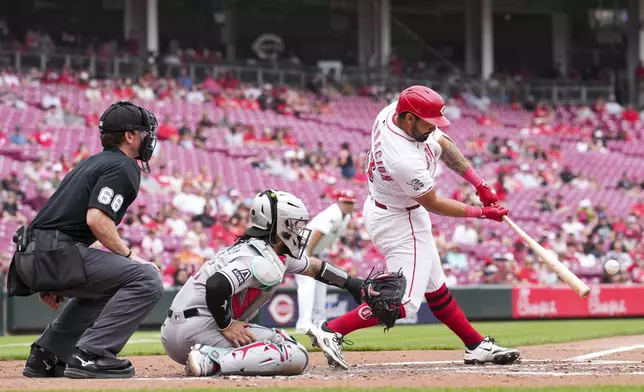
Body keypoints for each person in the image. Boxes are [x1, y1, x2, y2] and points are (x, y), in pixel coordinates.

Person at [306, 85, 520, 369]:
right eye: (428, 123)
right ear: (409, 118)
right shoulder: (403, 158)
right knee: (403, 303)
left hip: (395, 209)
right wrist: (482, 213)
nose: (433, 129)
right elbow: (432, 202)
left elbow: (444, 145)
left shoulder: (395, 113)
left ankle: (475, 345)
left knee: (436, 289)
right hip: (399, 219)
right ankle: (332, 329)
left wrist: (479, 183)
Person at [7, 101, 162, 379]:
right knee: (146, 277)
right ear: (129, 136)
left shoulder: (93, 162)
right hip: (53, 252)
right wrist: (129, 256)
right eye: (143, 132)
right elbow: (97, 219)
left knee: (106, 287)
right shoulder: (123, 166)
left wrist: (50, 273)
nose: (148, 138)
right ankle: (92, 355)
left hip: (33, 252)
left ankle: (47, 355)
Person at [160, 190, 366, 377]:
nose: (298, 230)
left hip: (175, 330)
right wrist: (226, 324)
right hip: (200, 328)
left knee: (280, 347)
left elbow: (315, 267)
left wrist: (355, 285)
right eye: (294, 224)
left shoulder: (266, 251)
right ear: (278, 224)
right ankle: (211, 359)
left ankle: (210, 356)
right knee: (294, 352)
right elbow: (217, 285)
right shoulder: (257, 258)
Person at [294, 190, 356, 333]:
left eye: (351, 202)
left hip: (314, 251)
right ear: (339, 202)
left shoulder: (345, 217)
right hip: (302, 248)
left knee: (321, 283)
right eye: (346, 202)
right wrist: (310, 257)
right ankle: (303, 324)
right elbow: (317, 234)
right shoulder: (333, 213)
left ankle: (318, 321)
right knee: (307, 285)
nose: (348, 205)